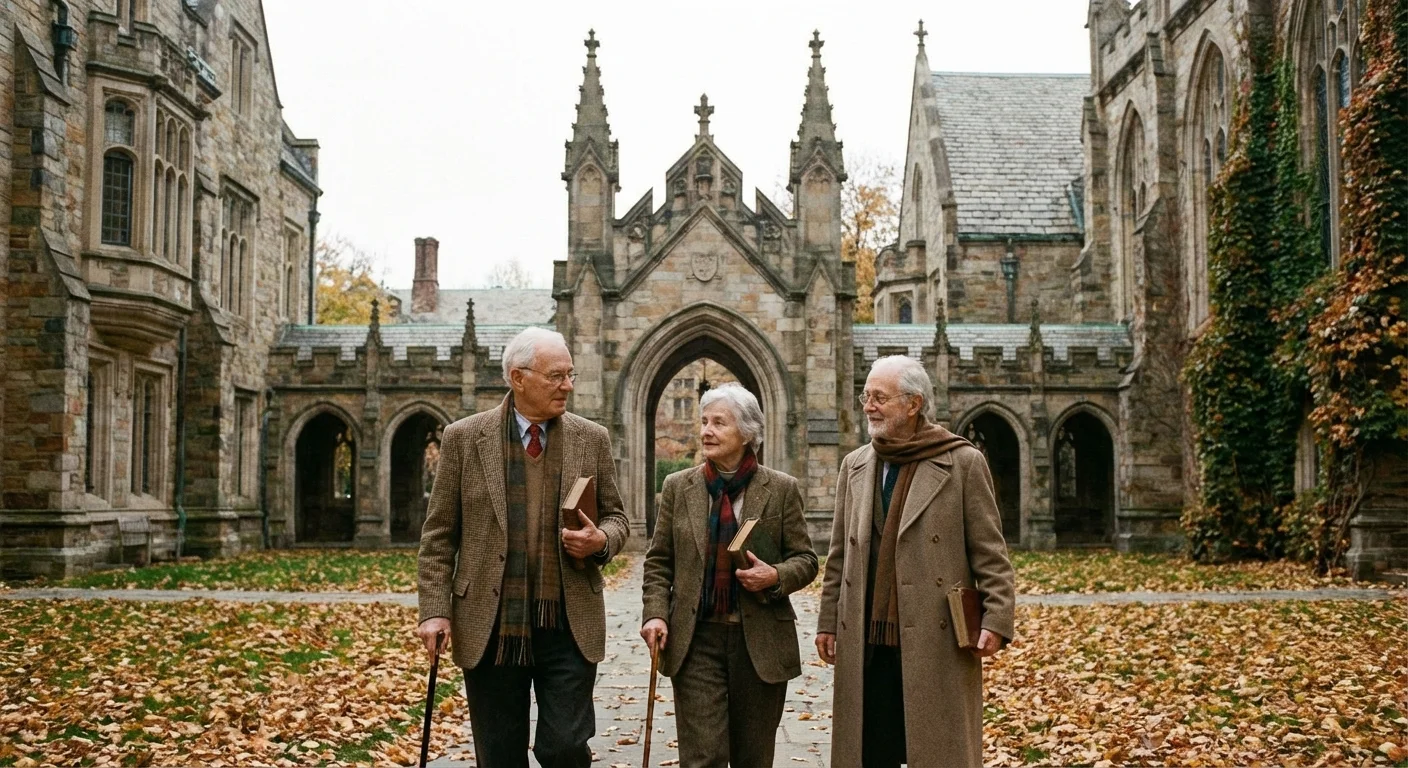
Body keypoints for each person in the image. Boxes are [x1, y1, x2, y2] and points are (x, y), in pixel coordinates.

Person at [416, 327, 630, 768]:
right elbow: (439, 536)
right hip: (491, 624)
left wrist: (601, 540)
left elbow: (618, 518)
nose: (568, 385)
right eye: (556, 376)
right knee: (498, 757)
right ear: (518, 378)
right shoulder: (462, 438)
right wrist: (434, 609)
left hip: (568, 624)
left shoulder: (592, 438)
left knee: (566, 748)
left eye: (569, 374)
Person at [816, 355, 1016, 768]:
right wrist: (826, 622)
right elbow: (839, 555)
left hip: (934, 637)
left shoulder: (962, 462)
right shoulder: (854, 466)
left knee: (935, 750)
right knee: (870, 749)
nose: (868, 406)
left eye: (879, 398)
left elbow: (990, 553)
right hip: (866, 642)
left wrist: (996, 621)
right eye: (865, 396)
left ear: (913, 404)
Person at [640, 383, 818, 768]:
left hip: (759, 640)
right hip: (696, 638)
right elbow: (658, 561)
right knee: (703, 756)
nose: (706, 430)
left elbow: (805, 559)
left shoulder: (781, 489)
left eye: (719, 423)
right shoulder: (678, 487)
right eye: (704, 421)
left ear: (747, 432)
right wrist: (655, 613)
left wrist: (775, 576)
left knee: (753, 758)